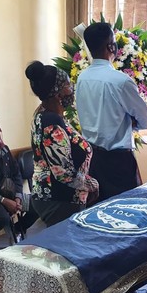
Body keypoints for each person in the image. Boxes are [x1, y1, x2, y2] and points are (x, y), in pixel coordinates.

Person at [76, 21, 147, 204]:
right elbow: (144, 120)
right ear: (111, 47)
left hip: (91, 159)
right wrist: (129, 123)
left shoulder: (82, 78)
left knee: (97, 211)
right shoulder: (121, 81)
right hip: (118, 162)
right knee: (125, 209)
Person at [25, 61, 99, 227]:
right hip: (60, 199)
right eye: (67, 85)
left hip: (59, 197)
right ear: (57, 93)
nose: (71, 88)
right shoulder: (51, 122)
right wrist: (91, 185)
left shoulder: (44, 114)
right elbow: (63, 172)